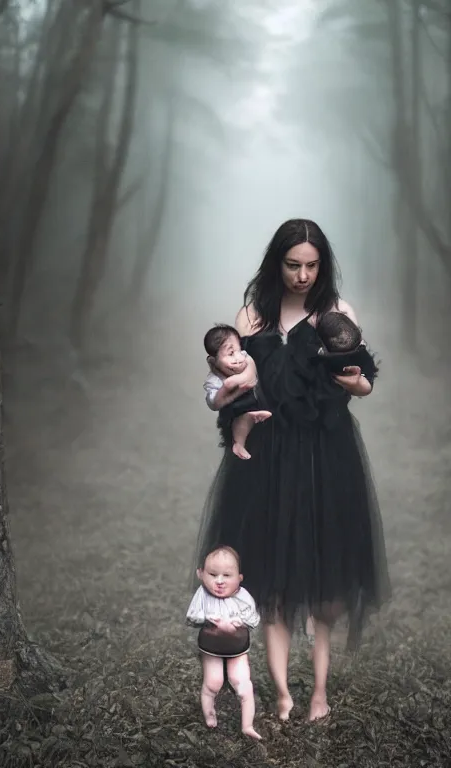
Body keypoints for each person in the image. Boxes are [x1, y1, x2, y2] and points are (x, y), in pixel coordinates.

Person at [194, 218, 390, 723]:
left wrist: (352, 381)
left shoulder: (336, 313)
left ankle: (319, 692)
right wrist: (229, 396)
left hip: (325, 455)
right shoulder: (252, 316)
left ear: (322, 266)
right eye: (292, 265)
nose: (302, 275)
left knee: (324, 583)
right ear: (276, 263)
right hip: (266, 458)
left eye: (311, 265)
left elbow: (364, 381)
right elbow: (225, 384)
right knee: (271, 578)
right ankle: (282, 694)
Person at [186, 546, 262, 739]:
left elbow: (254, 619)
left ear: (239, 578)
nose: (219, 581)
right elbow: (192, 616)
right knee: (213, 682)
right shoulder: (202, 594)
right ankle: (209, 715)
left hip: (237, 648)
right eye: (213, 574)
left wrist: (239, 623)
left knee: (243, 684)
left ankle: (247, 725)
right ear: (200, 574)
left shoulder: (243, 596)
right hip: (211, 647)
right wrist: (209, 619)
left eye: (227, 575)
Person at [203, 324, 271, 459]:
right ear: (213, 361)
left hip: (254, 400)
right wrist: (225, 391)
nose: (238, 357)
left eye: (239, 350)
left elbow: (250, 364)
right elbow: (213, 404)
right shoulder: (214, 380)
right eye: (230, 353)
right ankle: (239, 444)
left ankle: (255, 416)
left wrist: (241, 378)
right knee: (240, 421)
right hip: (234, 412)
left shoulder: (244, 357)